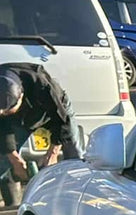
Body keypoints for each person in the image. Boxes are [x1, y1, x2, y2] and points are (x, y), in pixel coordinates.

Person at [0, 64, 79, 205]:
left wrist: (53, 152)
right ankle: (14, 207)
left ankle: (75, 198)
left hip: (54, 113)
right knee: (3, 160)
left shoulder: (42, 85)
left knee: (74, 154)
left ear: (21, 97)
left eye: (7, 110)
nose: (3, 113)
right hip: (19, 121)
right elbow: (2, 128)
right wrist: (14, 157)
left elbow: (62, 121)